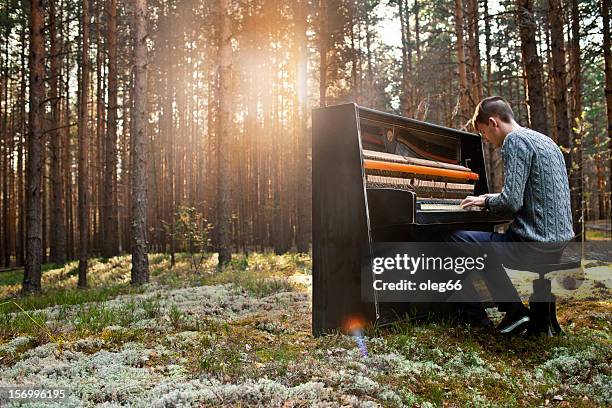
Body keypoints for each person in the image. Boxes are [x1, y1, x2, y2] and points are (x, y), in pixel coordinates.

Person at [447, 96, 574, 335]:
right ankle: (514, 310)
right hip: (558, 244)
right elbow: (532, 193)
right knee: (484, 245)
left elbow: (511, 202)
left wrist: (485, 200)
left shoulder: (514, 141)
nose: (488, 140)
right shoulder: (544, 140)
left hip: (532, 246)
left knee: (457, 239)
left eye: (484, 133)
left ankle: (475, 319)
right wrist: (490, 200)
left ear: (494, 122)